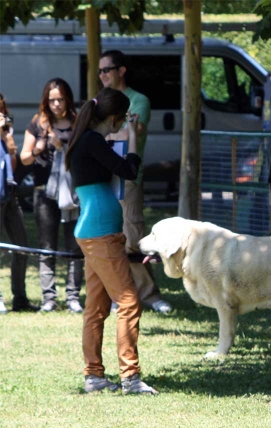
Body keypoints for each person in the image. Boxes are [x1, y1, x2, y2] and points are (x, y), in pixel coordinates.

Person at [65, 87, 157, 394]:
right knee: (130, 302)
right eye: (123, 119)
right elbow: (130, 169)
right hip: (101, 233)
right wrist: (133, 134)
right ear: (116, 117)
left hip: (95, 231)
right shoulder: (92, 139)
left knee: (96, 306)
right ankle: (130, 378)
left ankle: (94, 376)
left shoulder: (87, 139)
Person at [98, 50, 171, 314]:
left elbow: (133, 133)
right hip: (103, 178)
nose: (102, 75)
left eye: (107, 69)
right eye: (100, 71)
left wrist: (109, 132)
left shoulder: (139, 100)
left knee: (133, 238)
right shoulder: (99, 101)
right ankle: (122, 293)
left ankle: (150, 295)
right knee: (111, 238)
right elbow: (105, 132)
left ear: (121, 70)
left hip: (128, 178)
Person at [20, 78, 83, 313]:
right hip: (44, 192)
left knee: (74, 245)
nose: (56, 104)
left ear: (68, 99)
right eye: (52, 100)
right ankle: (49, 299)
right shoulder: (38, 122)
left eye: (60, 99)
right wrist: (39, 147)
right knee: (47, 246)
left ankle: (73, 298)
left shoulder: (78, 122)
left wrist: (63, 147)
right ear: (46, 101)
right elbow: (25, 158)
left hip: (73, 193)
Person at [0, 94, 38, 313]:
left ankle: (20, 297)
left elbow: (13, 165)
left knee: (21, 246)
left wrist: (7, 139)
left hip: (10, 195)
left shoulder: (7, 133)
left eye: (2, 110)